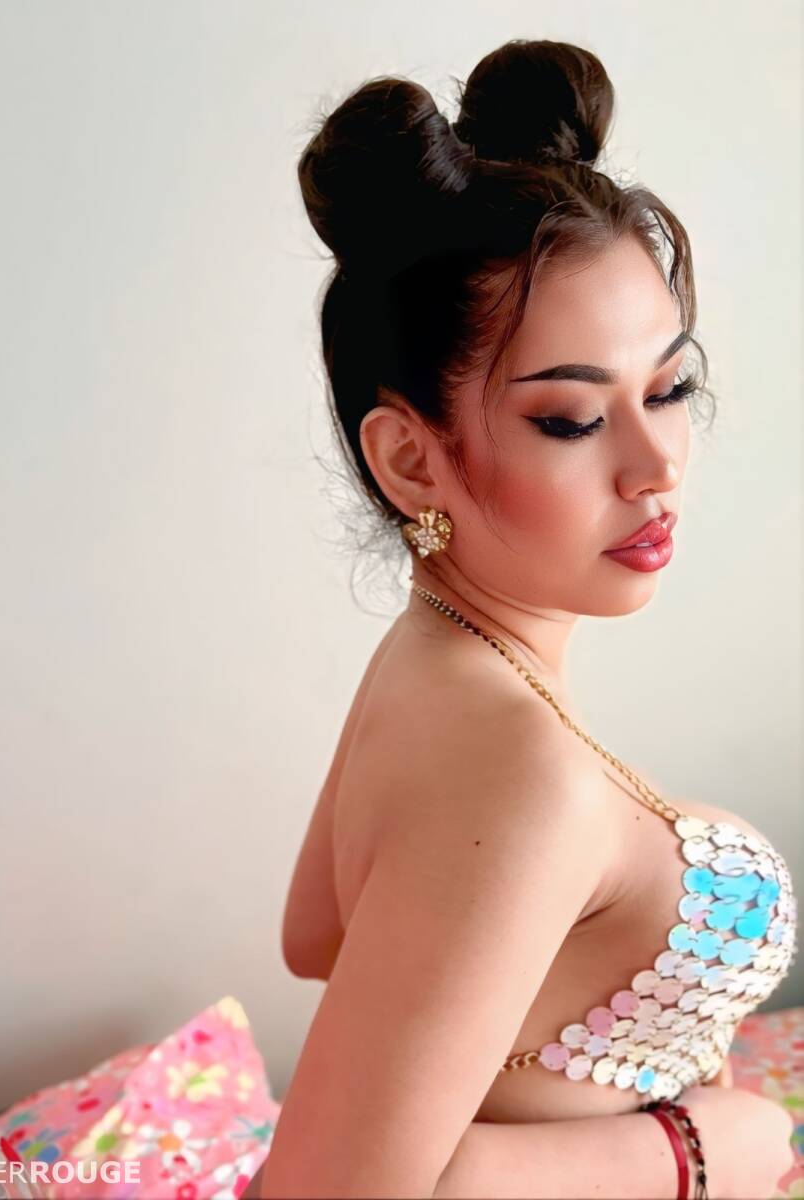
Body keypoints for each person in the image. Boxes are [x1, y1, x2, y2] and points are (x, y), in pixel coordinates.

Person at [247, 38, 797, 1199]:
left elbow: (319, 934)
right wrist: (694, 1152)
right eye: (569, 420)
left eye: (668, 389)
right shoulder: (511, 763)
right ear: (410, 459)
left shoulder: (433, 658)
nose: (655, 465)